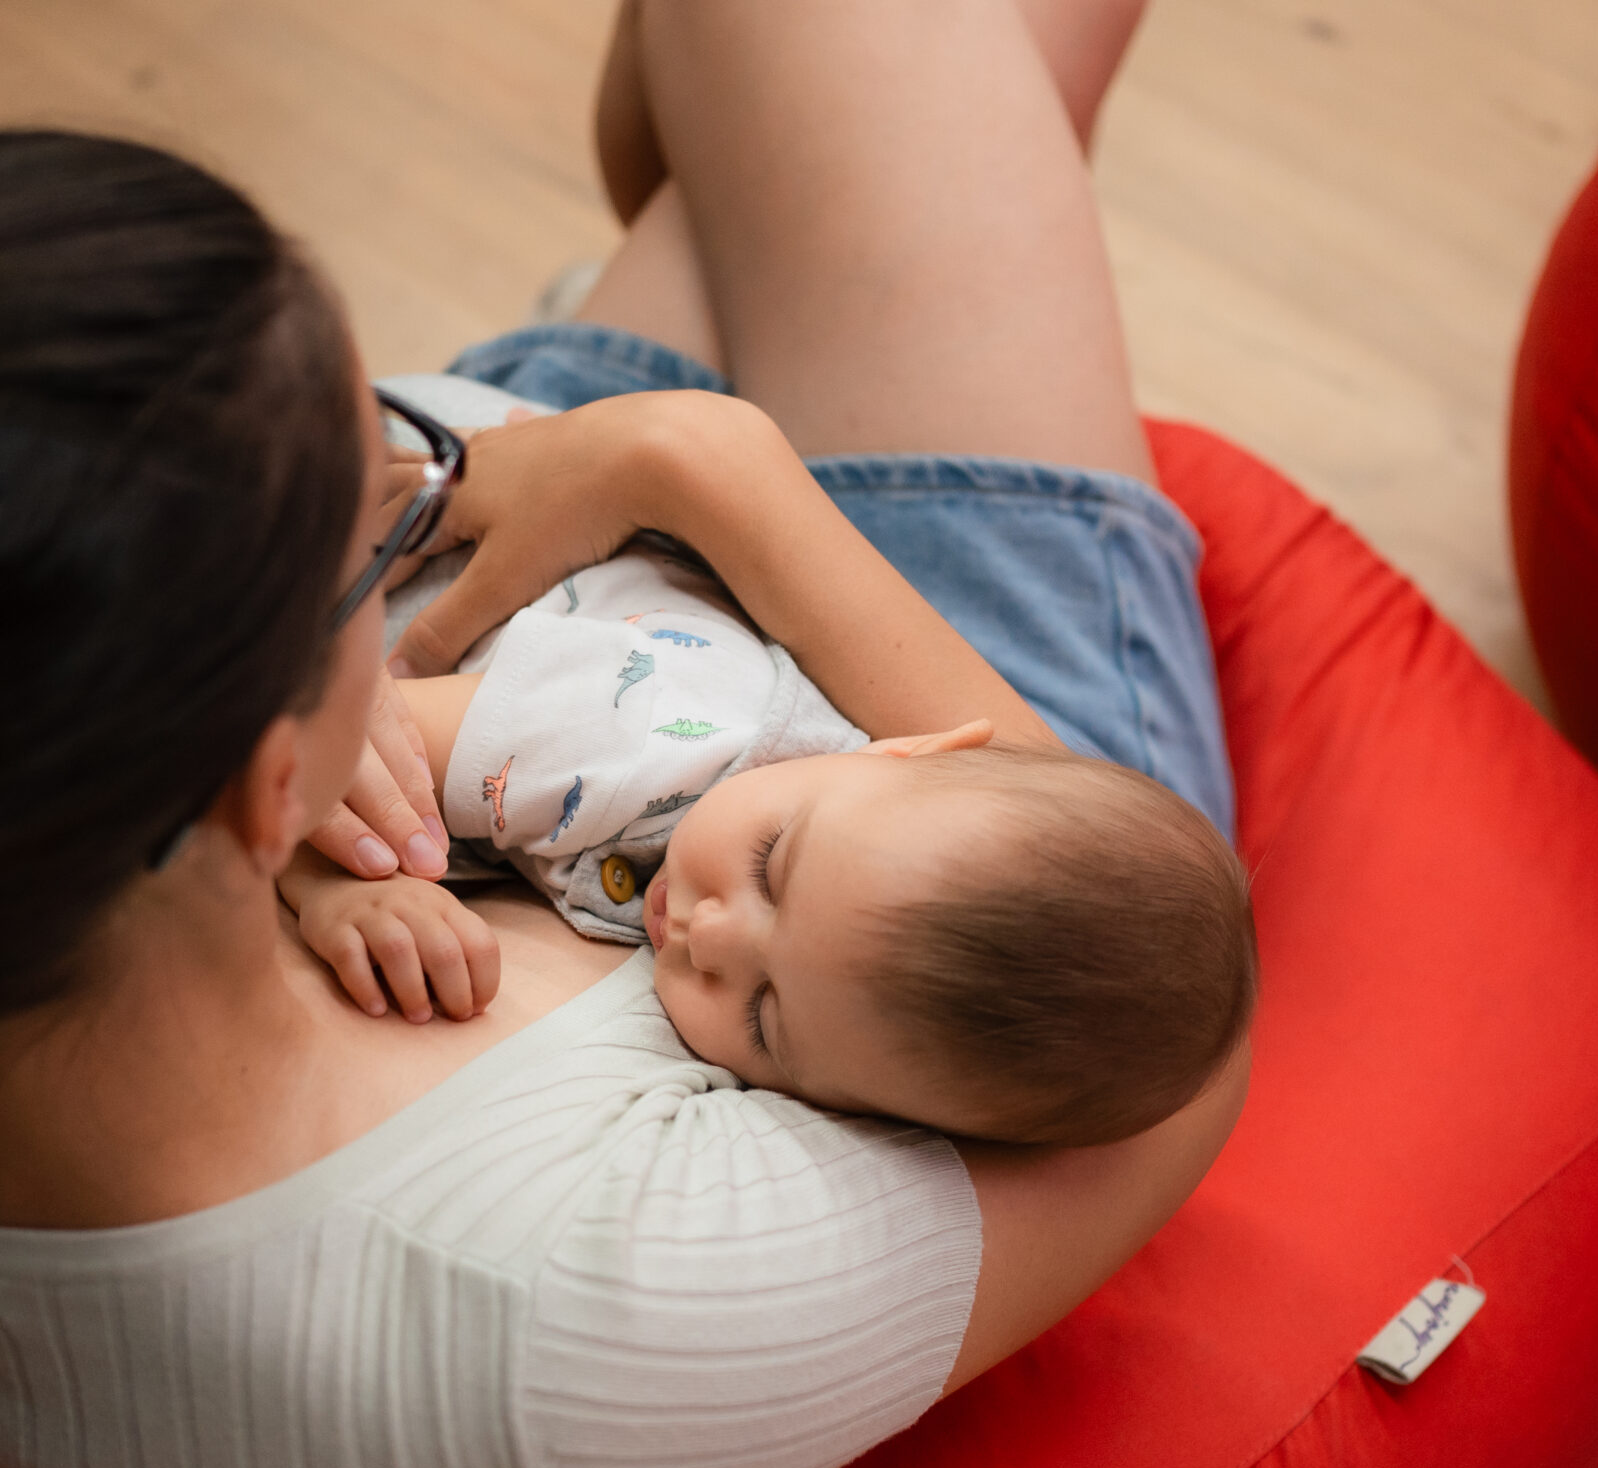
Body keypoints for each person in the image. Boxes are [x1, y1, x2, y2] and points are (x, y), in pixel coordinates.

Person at [0, 0, 1242, 1468]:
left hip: (596, 622)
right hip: (964, 822)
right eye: (374, 523)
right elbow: (1174, 1044)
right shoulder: (592, 1302)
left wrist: (594, 459)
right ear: (271, 782)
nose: (405, 491)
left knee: (736, 122)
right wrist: (709, 471)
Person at [280, 391, 1253, 1147]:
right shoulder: (646, 742)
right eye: (771, 865)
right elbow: (321, 743)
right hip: (418, 515)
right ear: (913, 742)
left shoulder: (851, 910)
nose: (706, 932)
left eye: (761, 1014)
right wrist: (339, 883)